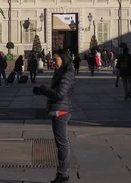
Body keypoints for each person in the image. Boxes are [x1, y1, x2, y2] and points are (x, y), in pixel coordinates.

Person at [33, 50, 75, 183]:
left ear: (63, 60)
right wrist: (41, 91)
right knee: (61, 143)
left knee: (62, 143)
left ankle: (63, 174)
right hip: (58, 109)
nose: (53, 63)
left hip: (61, 111)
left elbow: (59, 94)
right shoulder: (61, 72)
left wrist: (43, 89)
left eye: (56, 60)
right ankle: (62, 173)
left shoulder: (67, 74)